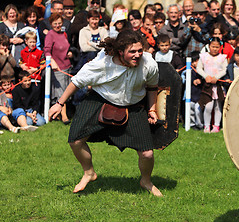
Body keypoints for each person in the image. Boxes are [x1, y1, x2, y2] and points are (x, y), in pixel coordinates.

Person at [48, 30, 163, 197]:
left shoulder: (149, 64)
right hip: (100, 99)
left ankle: (146, 180)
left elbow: (152, 87)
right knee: (75, 140)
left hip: (133, 105)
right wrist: (60, 103)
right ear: (120, 52)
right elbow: (77, 81)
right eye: (132, 51)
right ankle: (89, 172)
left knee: (147, 153)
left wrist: (152, 109)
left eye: (140, 50)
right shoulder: (102, 63)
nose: (138, 55)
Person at [44, 13, 72, 125]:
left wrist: (70, 53)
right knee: (61, 93)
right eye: (55, 23)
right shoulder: (50, 35)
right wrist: (52, 61)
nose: (57, 25)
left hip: (67, 66)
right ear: (51, 24)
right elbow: (46, 50)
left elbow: (66, 47)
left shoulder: (63, 34)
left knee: (67, 91)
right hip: (58, 68)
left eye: (59, 23)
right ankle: (64, 117)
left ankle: (60, 115)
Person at [196, 37, 227, 133]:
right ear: (209, 46)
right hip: (207, 85)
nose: (215, 49)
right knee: (208, 106)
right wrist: (206, 76)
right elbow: (199, 68)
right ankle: (206, 126)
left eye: (217, 47)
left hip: (218, 84)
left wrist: (217, 77)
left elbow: (224, 69)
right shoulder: (204, 56)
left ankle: (216, 126)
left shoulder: (222, 57)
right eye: (213, 46)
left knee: (218, 106)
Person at [180, 51, 203, 130]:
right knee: (190, 110)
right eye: (194, 61)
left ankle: (199, 124)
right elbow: (184, 80)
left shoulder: (202, 71)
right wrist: (193, 81)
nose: (195, 63)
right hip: (190, 95)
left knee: (198, 110)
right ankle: (191, 124)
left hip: (199, 95)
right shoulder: (187, 71)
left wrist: (200, 80)